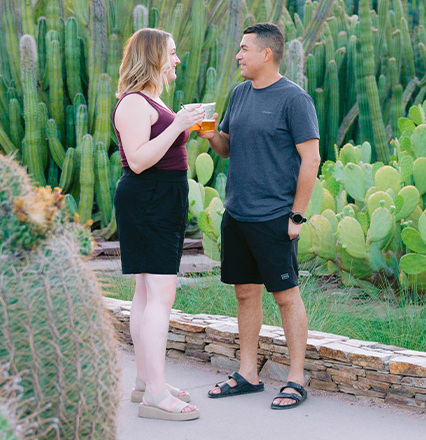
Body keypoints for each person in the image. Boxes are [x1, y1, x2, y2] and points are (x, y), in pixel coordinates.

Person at [200, 22, 321, 410]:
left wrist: (296, 217)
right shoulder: (239, 93)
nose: (238, 55)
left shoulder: (294, 99)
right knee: (244, 294)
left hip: (274, 217)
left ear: (266, 54)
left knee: (286, 297)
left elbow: (311, 158)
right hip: (237, 214)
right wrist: (210, 135)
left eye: (244, 49)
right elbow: (228, 148)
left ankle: (296, 378)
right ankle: (248, 373)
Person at [112, 28, 206, 422]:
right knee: (161, 294)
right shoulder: (134, 103)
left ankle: (147, 381)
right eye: (171, 52)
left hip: (160, 197)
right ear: (152, 57)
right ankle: (154, 394)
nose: (177, 60)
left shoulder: (152, 100)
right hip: (149, 198)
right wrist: (177, 124)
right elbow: (137, 159)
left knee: (147, 294)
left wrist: (188, 125)